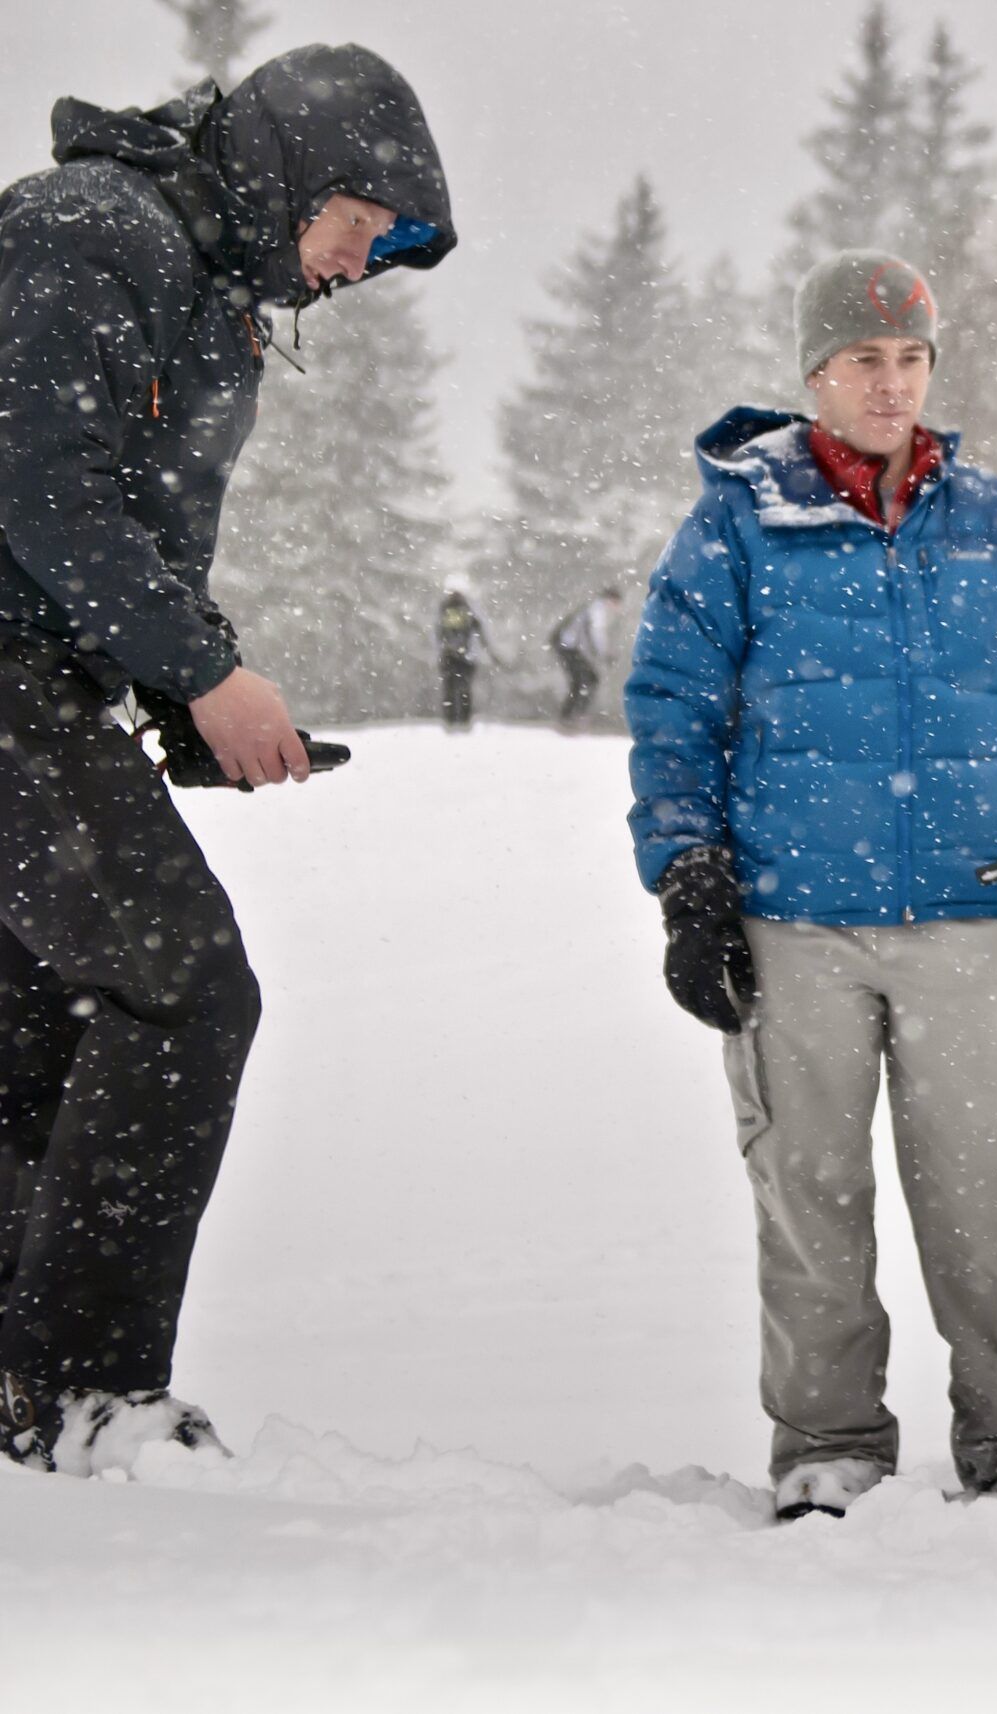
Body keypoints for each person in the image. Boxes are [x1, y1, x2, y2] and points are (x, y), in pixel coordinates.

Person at [0, 46, 455, 1471]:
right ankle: (88, 1390)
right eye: (359, 228)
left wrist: (192, 693)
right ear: (299, 167)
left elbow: (129, 532)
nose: (354, 268)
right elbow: (41, 484)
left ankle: (25, 1392)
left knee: (39, 1028)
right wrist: (204, 675)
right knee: (186, 990)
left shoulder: (205, 290)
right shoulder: (93, 233)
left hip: (47, 690)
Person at [624, 251, 997, 1525]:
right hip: (792, 925)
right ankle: (829, 1444)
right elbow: (675, 707)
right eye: (863, 360)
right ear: (815, 375)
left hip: (963, 915)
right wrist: (689, 882)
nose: (889, 383)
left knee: (996, 1189)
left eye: (909, 359)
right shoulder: (739, 521)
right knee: (811, 1197)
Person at [551, 586, 622, 728]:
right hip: (568, 647)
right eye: (616, 603)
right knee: (587, 680)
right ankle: (572, 717)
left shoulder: (594, 608)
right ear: (610, 600)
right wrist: (605, 654)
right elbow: (595, 634)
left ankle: (569, 717)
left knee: (582, 681)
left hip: (568, 647)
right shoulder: (598, 610)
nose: (617, 608)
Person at [435, 580, 499, 731]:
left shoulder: (444, 609)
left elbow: (438, 634)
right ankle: (464, 720)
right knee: (465, 689)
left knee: (450, 689)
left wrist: (442, 651)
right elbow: (480, 632)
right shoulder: (469, 610)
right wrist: (489, 652)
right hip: (467, 657)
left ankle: (450, 720)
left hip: (448, 655)